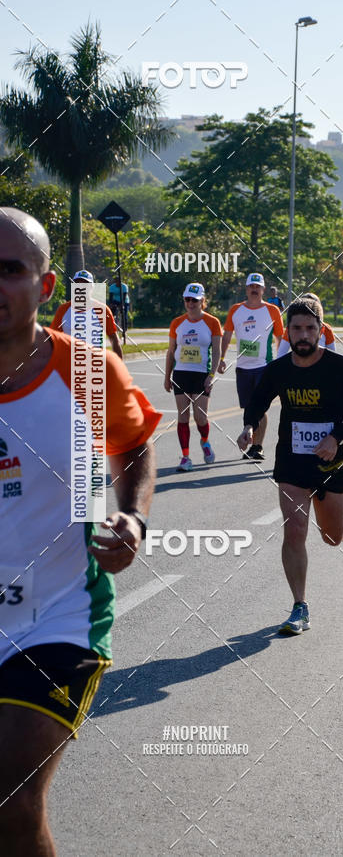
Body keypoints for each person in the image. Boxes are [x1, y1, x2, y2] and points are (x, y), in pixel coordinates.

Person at [0, 207, 160, 857]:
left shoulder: (88, 374)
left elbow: (136, 444)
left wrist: (133, 516)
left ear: (45, 287)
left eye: (9, 270)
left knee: (10, 798)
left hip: (58, 617)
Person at [237, 297, 343, 635]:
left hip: (334, 461)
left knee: (331, 537)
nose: (303, 335)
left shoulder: (339, 367)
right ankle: (299, 606)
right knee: (295, 530)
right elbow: (257, 401)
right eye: (296, 328)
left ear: (320, 331)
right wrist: (249, 426)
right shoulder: (279, 369)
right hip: (293, 461)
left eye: (310, 328)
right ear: (287, 332)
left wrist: (337, 437)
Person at [219, 272, 284, 460]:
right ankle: (252, 441)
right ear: (246, 289)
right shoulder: (236, 310)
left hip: (264, 366)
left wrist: (280, 363)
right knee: (248, 407)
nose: (254, 289)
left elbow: (281, 338)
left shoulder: (272, 310)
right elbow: (227, 335)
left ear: (263, 289)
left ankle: (258, 446)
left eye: (258, 287)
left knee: (260, 407)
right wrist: (221, 358)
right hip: (243, 367)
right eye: (251, 287)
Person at [164, 283, 222, 471]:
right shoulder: (177, 323)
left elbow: (217, 352)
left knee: (200, 418)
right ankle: (186, 458)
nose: (190, 303)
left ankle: (205, 442)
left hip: (201, 375)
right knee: (182, 417)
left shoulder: (212, 322)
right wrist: (167, 376)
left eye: (194, 300)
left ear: (203, 301)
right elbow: (171, 351)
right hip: (181, 373)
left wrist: (211, 376)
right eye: (187, 299)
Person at [50, 269, 123, 359]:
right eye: (78, 284)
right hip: (69, 366)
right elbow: (51, 341)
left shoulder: (102, 310)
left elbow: (114, 340)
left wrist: (120, 368)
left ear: (91, 288)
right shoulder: (63, 310)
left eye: (85, 284)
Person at [277, 292, 336, 357]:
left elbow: (332, 353)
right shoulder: (292, 328)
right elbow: (281, 354)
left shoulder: (326, 328)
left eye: (310, 328)